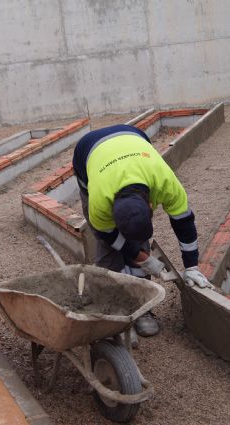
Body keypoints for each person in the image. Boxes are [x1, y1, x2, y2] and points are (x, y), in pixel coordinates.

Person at [72, 124, 212, 337]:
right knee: (108, 249)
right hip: (87, 152)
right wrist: (140, 256)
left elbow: (184, 223)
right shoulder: (99, 203)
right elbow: (107, 235)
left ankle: (141, 308)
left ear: (150, 206)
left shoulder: (165, 182)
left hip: (133, 138)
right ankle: (115, 310)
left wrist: (191, 266)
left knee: (137, 243)